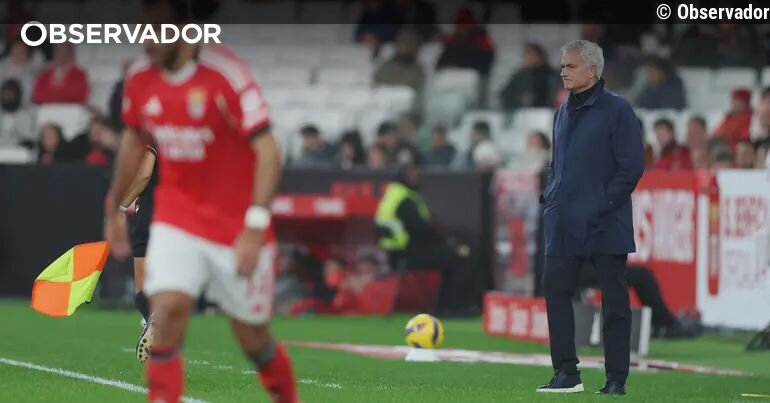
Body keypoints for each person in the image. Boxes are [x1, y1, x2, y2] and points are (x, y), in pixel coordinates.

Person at [103, 1, 298, 402]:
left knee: (253, 339)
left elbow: (267, 149)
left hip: (234, 223)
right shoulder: (139, 78)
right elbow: (133, 139)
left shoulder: (225, 74)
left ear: (182, 27)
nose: (147, 41)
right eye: (143, 29)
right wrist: (113, 206)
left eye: (157, 29)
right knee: (167, 310)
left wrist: (255, 226)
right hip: (177, 217)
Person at [537, 40, 643, 395]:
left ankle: (616, 379)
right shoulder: (561, 112)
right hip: (563, 220)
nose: (563, 72)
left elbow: (631, 167)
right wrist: (551, 194)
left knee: (614, 300)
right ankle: (566, 373)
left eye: (571, 66)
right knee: (555, 289)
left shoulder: (618, 110)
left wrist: (602, 204)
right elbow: (557, 164)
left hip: (605, 221)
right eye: (562, 66)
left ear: (593, 70)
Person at [374, 150, 473, 316]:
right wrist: (446, 242)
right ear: (403, 172)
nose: (417, 174)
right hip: (405, 253)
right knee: (455, 257)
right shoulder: (404, 198)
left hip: (399, 252)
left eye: (417, 169)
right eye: (413, 170)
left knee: (449, 254)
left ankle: (446, 306)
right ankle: (450, 307)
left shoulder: (395, 193)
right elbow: (420, 229)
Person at [118, 145, 159, 363]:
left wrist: (122, 205)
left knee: (142, 293)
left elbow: (144, 174)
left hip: (151, 215)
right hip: (179, 220)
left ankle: (154, 320)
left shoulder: (153, 135)